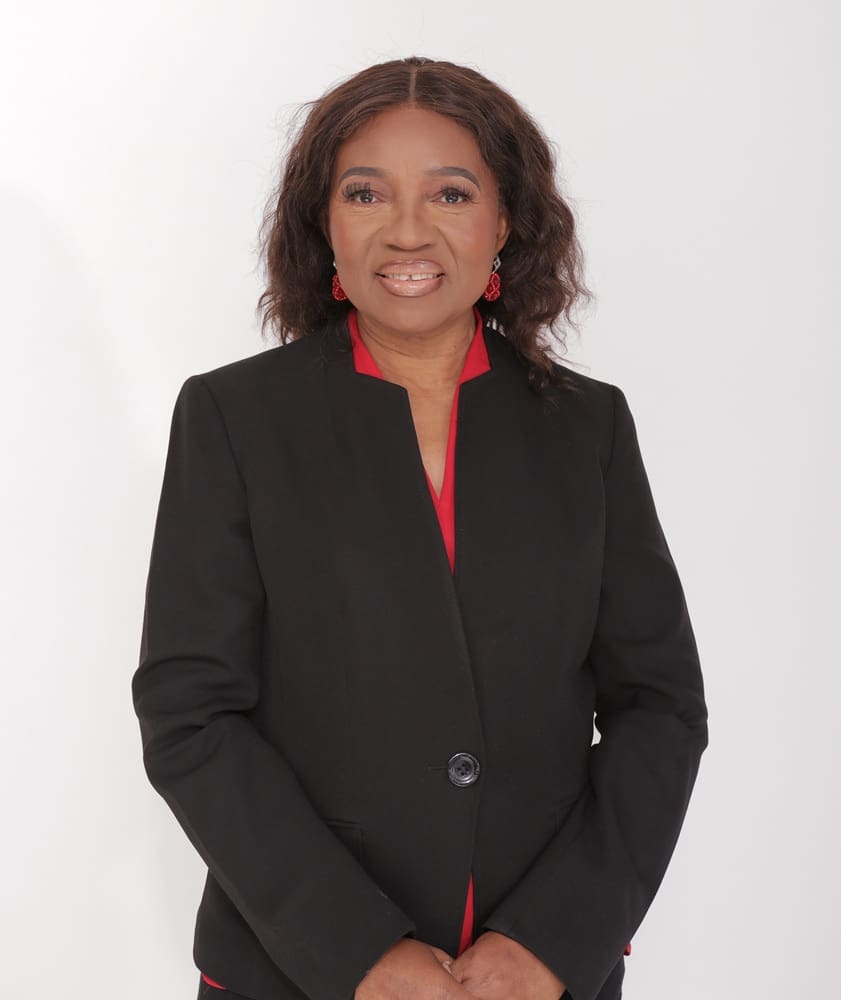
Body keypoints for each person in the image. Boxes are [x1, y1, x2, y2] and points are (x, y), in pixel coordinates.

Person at [131, 56, 709, 1000]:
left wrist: (553, 940)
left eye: (450, 193)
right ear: (323, 222)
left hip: (537, 977)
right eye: (365, 193)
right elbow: (190, 714)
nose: (406, 230)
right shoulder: (233, 419)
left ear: (504, 222)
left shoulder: (587, 426)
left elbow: (659, 706)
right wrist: (357, 951)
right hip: (296, 971)